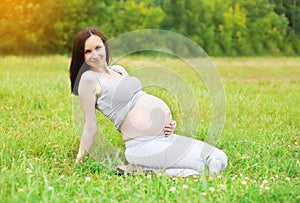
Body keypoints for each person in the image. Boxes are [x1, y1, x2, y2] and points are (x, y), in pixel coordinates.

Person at [69, 27, 227, 177]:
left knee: (221, 158)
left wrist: (167, 124)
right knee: (207, 165)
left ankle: (145, 169)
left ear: (105, 46)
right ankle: (150, 170)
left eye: (98, 47)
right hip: (142, 146)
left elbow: (139, 99)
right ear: (81, 56)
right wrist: (79, 161)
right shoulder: (88, 80)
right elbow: (90, 126)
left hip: (164, 138)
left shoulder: (119, 69)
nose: (95, 54)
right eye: (87, 51)